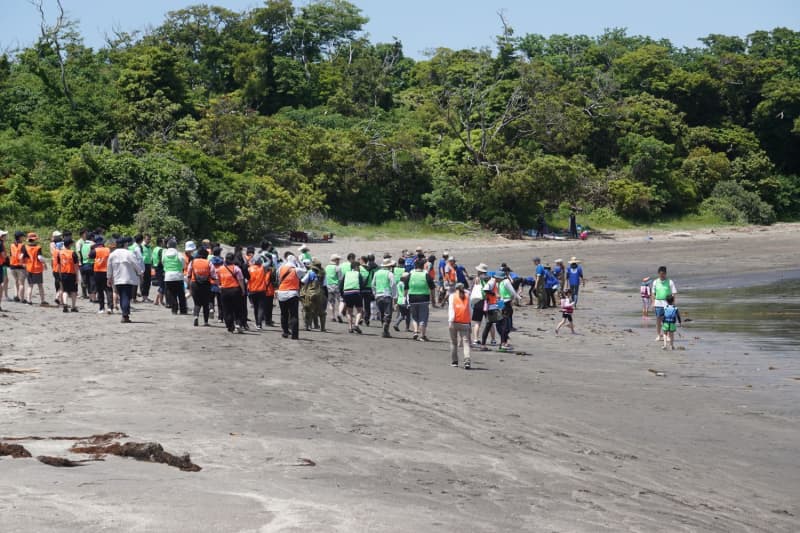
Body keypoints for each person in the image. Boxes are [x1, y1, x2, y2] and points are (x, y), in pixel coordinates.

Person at [107, 238, 143, 323]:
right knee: (126, 297)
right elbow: (136, 264)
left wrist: (109, 278)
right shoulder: (129, 253)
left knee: (123, 296)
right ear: (124, 245)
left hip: (117, 279)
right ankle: (125, 315)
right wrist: (140, 272)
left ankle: (125, 314)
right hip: (128, 279)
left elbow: (109, 267)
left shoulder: (112, 254)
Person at [276, 253, 306, 339]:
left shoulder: (281, 268)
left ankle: (285, 332)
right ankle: (294, 334)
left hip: (281, 292)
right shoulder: (296, 270)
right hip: (292, 293)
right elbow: (305, 270)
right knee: (294, 315)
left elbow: (278, 278)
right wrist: (299, 261)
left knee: (283, 314)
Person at [217, 252, 246, 333]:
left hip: (224, 291)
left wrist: (219, 286)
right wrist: (243, 290)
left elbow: (217, 279)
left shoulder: (220, 269)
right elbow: (240, 280)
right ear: (233, 260)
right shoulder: (236, 268)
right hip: (235, 290)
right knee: (237, 308)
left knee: (227, 309)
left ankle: (230, 326)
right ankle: (238, 323)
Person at [187, 247, 216, 327]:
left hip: (194, 284)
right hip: (206, 284)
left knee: (197, 303)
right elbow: (213, 275)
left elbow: (188, 274)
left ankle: (196, 317)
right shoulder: (208, 262)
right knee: (205, 303)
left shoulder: (192, 262)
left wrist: (188, 285)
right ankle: (206, 322)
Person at [408, 258, 435, 341]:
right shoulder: (425, 274)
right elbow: (432, 287)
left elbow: (405, 286)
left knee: (414, 317)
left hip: (412, 297)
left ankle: (415, 332)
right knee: (423, 317)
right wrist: (433, 298)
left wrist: (405, 296)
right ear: (423, 266)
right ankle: (422, 335)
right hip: (424, 298)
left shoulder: (411, 274)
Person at [448, 282, 473, 369]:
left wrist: (450, 321)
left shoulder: (452, 296)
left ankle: (454, 361)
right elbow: (470, 309)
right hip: (465, 322)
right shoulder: (467, 296)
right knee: (466, 343)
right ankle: (467, 360)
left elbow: (451, 309)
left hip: (454, 321)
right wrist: (469, 321)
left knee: (453, 342)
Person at [339, 259, 365, 334]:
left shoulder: (346, 274)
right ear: (356, 267)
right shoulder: (358, 274)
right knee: (359, 310)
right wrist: (361, 294)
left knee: (349, 311)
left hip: (347, 293)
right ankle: (356, 325)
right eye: (359, 267)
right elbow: (362, 285)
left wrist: (342, 295)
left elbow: (341, 285)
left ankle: (350, 327)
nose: (359, 268)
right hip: (356, 292)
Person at [162, 239, 187, 315]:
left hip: (168, 276)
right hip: (178, 276)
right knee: (181, 294)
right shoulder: (178, 254)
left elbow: (163, 263)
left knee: (172, 294)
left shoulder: (165, 254)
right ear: (175, 246)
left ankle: (174, 309)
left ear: (167, 246)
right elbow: (183, 263)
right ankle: (183, 310)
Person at [652, 266, 677, 342]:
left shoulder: (670, 281)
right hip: (658, 303)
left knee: (667, 320)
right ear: (658, 274)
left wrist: (673, 304)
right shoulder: (655, 282)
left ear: (665, 274)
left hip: (667, 304)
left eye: (663, 274)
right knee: (658, 320)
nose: (662, 275)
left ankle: (668, 336)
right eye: (660, 274)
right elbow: (653, 294)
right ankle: (659, 335)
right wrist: (653, 303)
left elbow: (674, 293)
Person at [21, 233, 48, 306]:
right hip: (37, 268)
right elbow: (39, 257)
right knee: (40, 285)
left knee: (30, 285)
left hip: (29, 268)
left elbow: (21, 257)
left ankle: (29, 301)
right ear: (35, 239)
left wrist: (22, 263)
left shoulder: (24, 247)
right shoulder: (38, 247)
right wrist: (44, 264)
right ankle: (42, 301)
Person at [301, 259, 327, 332]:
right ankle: (322, 328)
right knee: (321, 311)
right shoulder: (323, 273)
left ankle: (307, 326)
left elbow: (303, 281)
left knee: (308, 310)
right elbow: (325, 285)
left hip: (310, 293)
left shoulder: (310, 273)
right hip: (320, 293)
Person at [372, 257, 396, 338]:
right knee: (388, 313)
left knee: (381, 313)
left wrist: (375, 293)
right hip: (387, 295)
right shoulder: (390, 273)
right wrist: (394, 295)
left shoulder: (377, 273)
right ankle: (386, 327)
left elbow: (373, 284)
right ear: (389, 266)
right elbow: (393, 285)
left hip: (378, 295)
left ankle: (384, 329)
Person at [57, 237, 80, 312]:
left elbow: (59, 265)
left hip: (63, 273)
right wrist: (77, 276)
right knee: (73, 291)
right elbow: (76, 266)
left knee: (65, 291)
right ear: (70, 244)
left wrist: (60, 274)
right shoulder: (73, 253)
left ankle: (65, 304)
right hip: (72, 273)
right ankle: (73, 307)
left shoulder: (60, 253)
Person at [89, 236, 112, 313]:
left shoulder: (95, 250)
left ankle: (101, 308)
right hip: (107, 271)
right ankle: (110, 307)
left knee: (100, 290)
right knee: (108, 290)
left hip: (97, 271)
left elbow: (89, 256)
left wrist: (92, 248)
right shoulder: (108, 250)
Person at [8, 231, 27, 302]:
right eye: (22, 236)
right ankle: (22, 298)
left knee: (16, 281)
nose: (23, 237)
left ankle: (16, 296)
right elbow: (22, 256)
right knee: (21, 283)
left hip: (12, 266)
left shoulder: (11, 245)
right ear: (20, 237)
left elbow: (10, 255)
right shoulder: (22, 245)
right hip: (20, 266)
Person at [325, 254, 343, 323]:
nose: (339, 261)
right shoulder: (337, 267)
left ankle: (333, 316)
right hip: (336, 286)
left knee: (331, 302)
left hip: (328, 286)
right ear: (335, 260)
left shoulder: (327, 267)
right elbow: (340, 278)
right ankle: (339, 314)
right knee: (341, 300)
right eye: (338, 259)